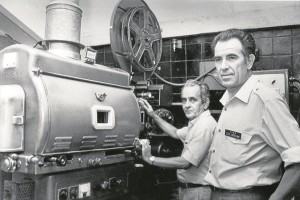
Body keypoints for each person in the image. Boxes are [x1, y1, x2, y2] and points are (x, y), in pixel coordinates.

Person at [204, 28, 300, 200]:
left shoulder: (266, 100)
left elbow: (298, 160)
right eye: (218, 60)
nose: (223, 66)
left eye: (232, 58)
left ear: (249, 61)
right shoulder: (228, 101)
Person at [138, 80, 217, 200]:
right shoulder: (197, 123)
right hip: (191, 190)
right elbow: (175, 133)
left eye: (193, 100)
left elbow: (185, 163)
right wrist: (153, 115)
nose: (187, 105)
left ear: (205, 103)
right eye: (184, 100)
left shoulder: (204, 126)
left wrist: (150, 159)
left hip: (198, 192)